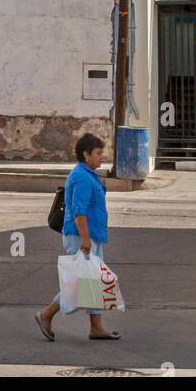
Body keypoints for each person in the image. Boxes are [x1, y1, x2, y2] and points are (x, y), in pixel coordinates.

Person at [35, 132, 121, 341]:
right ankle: (46, 314)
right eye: (98, 153)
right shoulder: (82, 177)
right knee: (82, 281)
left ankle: (96, 327)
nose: (102, 157)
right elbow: (79, 210)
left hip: (90, 235)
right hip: (81, 235)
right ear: (86, 154)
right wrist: (85, 239)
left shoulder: (87, 174)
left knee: (94, 280)